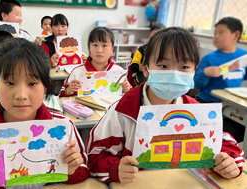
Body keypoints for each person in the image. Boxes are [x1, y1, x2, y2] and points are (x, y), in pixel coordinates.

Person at [86, 27, 245, 184]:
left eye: (184, 67)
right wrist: (115, 169)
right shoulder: (123, 111)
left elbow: (225, 144)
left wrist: (229, 163)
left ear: (194, 72)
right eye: (163, 66)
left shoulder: (195, 111)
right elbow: (94, 156)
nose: (174, 74)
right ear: (145, 69)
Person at [0, 38, 89, 188]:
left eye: (32, 83)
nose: (21, 95)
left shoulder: (63, 126)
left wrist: (72, 170)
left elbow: (83, 171)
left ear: (46, 87)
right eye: (10, 83)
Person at [194, 17, 247, 142]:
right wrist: (205, 73)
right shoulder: (209, 59)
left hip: (233, 104)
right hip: (208, 104)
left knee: (239, 132)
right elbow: (196, 85)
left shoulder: (243, 57)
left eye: (221, 32)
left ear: (236, 35)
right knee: (221, 135)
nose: (216, 36)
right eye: (214, 33)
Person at [59, 27, 131, 97]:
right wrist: (68, 91)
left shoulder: (119, 72)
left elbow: (129, 96)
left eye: (104, 45)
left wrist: (126, 90)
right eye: (95, 45)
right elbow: (61, 95)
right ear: (89, 48)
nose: (99, 50)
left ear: (112, 49)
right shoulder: (77, 72)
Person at [127, 23, 165, 88]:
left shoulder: (166, 50)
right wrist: (140, 67)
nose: (156, 36)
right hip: (143, 77)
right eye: (154, 33)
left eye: (160, 34)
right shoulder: (141, 50)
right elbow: (133, 66)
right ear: (149, 34)